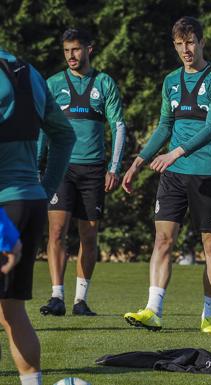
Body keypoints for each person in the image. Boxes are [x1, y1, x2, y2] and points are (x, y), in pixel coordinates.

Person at [121, 16, 211, 334]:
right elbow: (164, 127)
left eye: (191, 41)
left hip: (207, 174)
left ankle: (209, 316)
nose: (186, 49)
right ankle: (153, 311)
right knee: (162, 240)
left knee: (210, 247)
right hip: (174, 175)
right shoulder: (170, 81)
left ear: (202, 41)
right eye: (179, 43)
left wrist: (175, 152)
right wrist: (137, 163)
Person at [38, 28, 127, 317]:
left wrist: (113, 168)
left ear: (90, 48)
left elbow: (119, 127)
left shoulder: (104, 83)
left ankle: (80, 300)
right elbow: (42, 127)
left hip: (93, 171)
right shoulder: (52, 84)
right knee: (56, 232)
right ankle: (56, 297)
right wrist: (38, 166)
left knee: (88, 235)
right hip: (59, 169)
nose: (71, 56)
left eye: (76, 49)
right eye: (66, 51)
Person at [0, 48, 75, 385]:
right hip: (28, 203)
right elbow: (64, 134)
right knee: (12, 312)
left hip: (4, 210)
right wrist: (43, 189)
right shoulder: (27, 72)